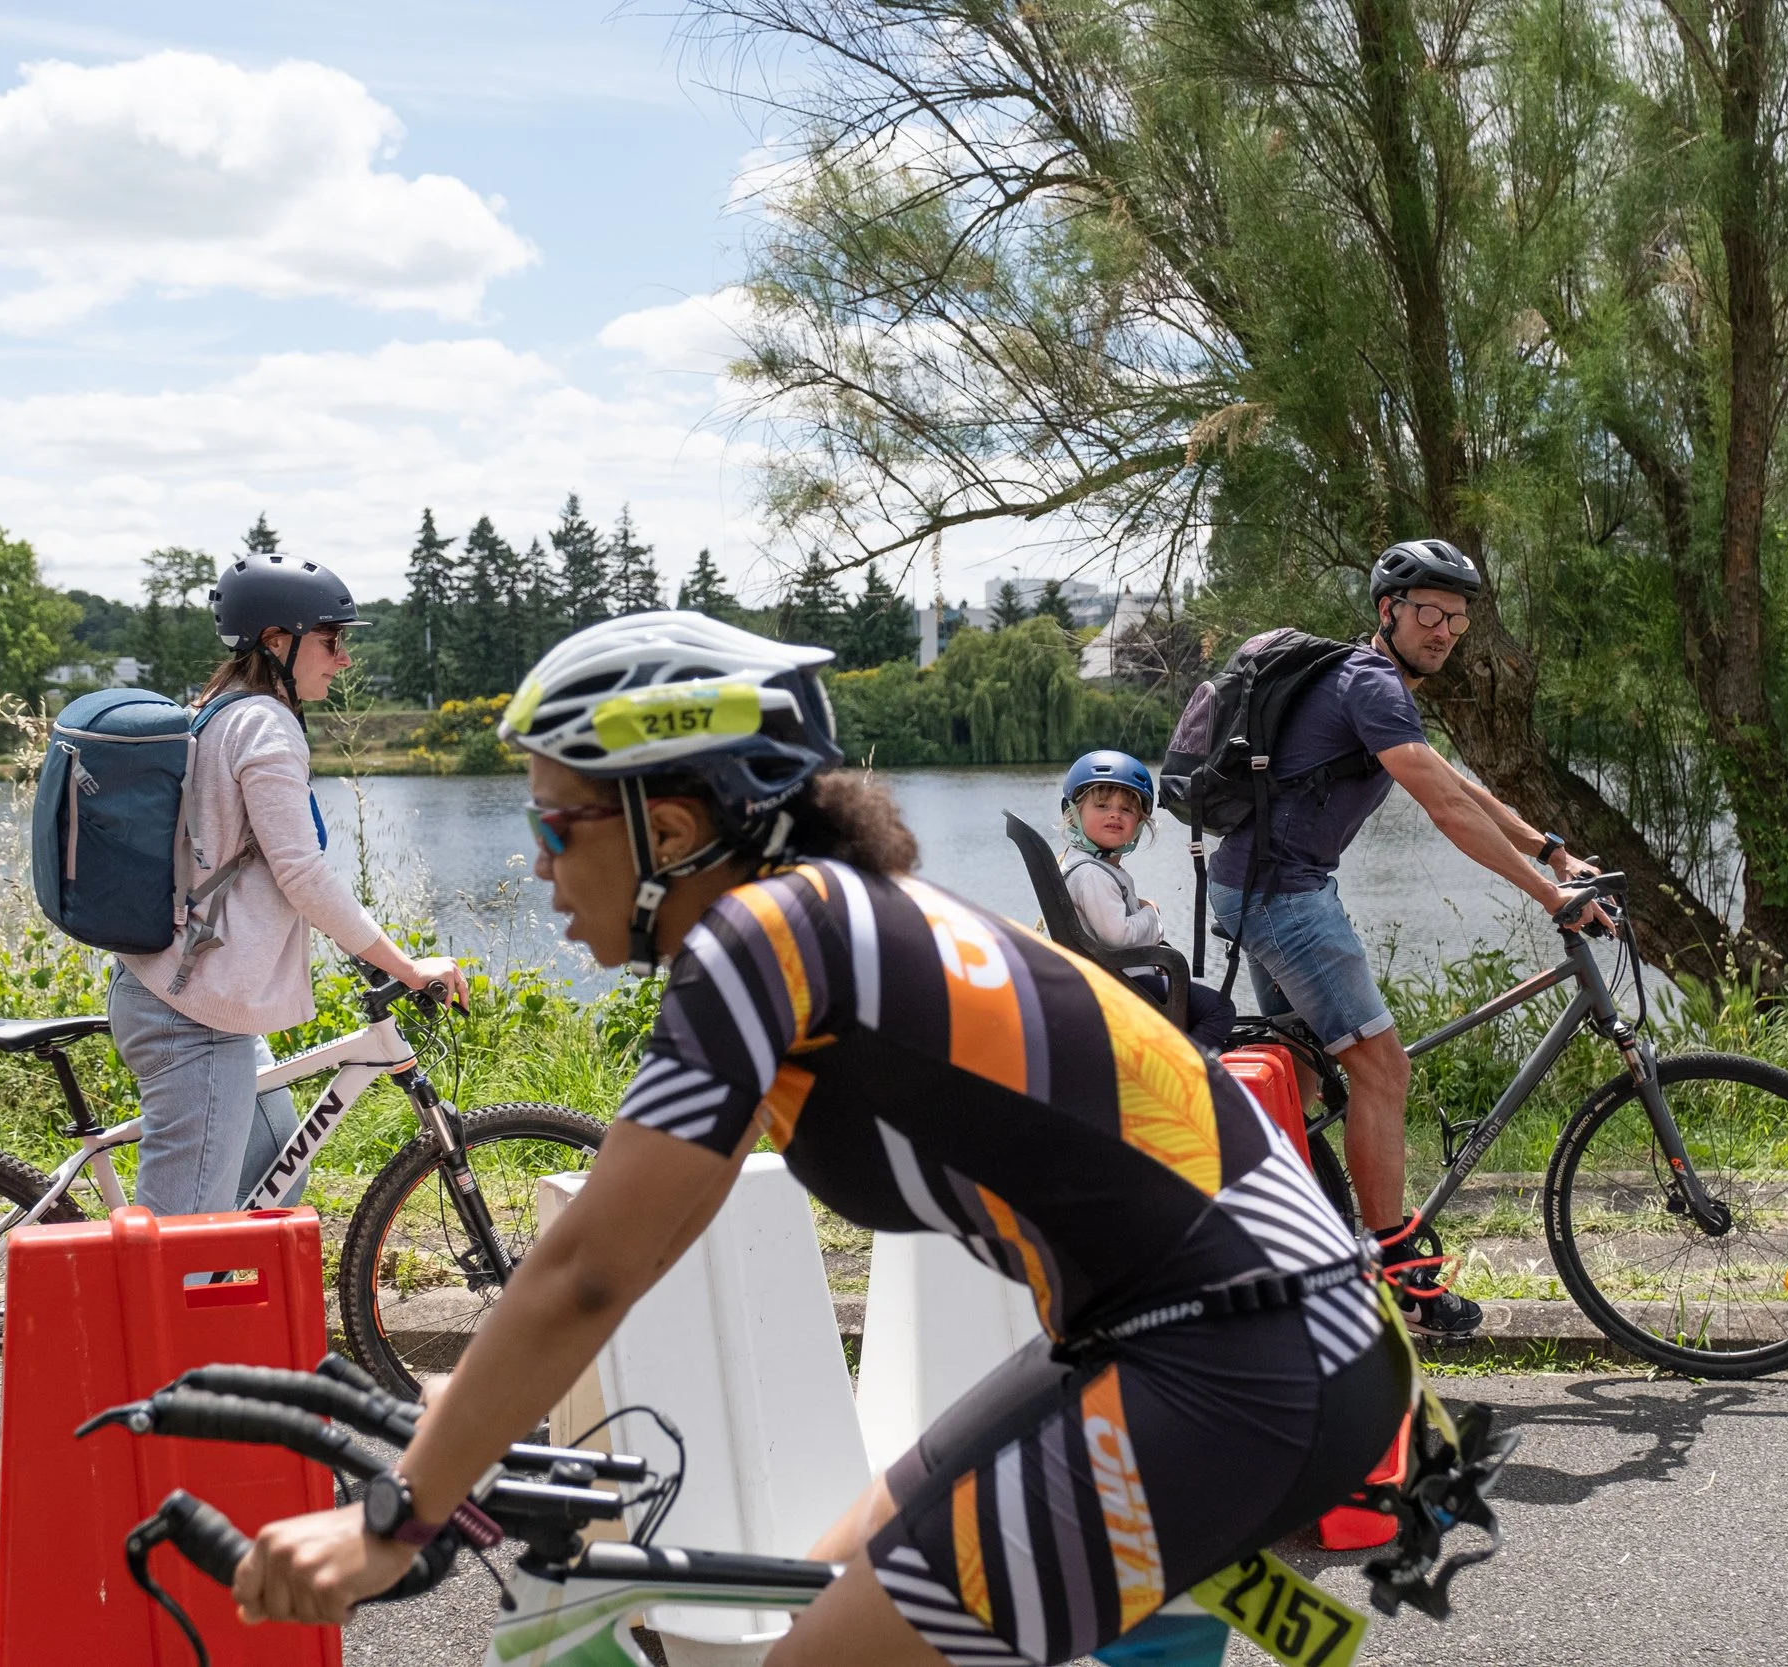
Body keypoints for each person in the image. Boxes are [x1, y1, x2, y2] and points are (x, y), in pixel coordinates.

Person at [227, 612, 1409, 1667]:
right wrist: (464, 1422)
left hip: (1239, 1358)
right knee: (827, 1586)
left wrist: (397, 1512)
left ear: (673, 824)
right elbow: (644, 1238)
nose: (536, 862)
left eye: (553, 819)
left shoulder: (769, 930)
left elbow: (589, 1271)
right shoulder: (829, 926)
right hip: (1203, 1333)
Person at [1207, 539, 1601, 1340]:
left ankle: (1295, 1246)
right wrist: (1553, 897)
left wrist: (1548, 849)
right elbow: (1447, 814)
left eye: (1458, 618)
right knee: (1381, 1070)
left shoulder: (1370, 684)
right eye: (1429, 611)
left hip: (1267, 886)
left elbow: (1457, 785)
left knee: (1308, 1079)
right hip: (1283, 898)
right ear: (1387, 611)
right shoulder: (1370, 681)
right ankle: (1402, 1276)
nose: (1446, 630)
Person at [108, 553, 462, 1218]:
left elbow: (264, 866)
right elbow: (302, 873)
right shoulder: (265, 724)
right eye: (332, 641)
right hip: (196, 1017)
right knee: (176, 1243)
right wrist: (406, 967)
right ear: (278, 640)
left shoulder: (218, 709)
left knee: (277, 1173)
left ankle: (225, 1311)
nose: (344, 659)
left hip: (201, 999)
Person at [1058, 749, 1236, 1050]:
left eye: (1127, 810)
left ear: (1140, 822)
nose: (1115, 814)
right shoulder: (1091, 874)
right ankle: (1189, 1077)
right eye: (1102, 805)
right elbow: (1117, 936)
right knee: (1218, 1009)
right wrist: (1152, 914)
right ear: (1073, 813)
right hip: (1124, 986)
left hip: (1114, 981)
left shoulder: (1089, 867)